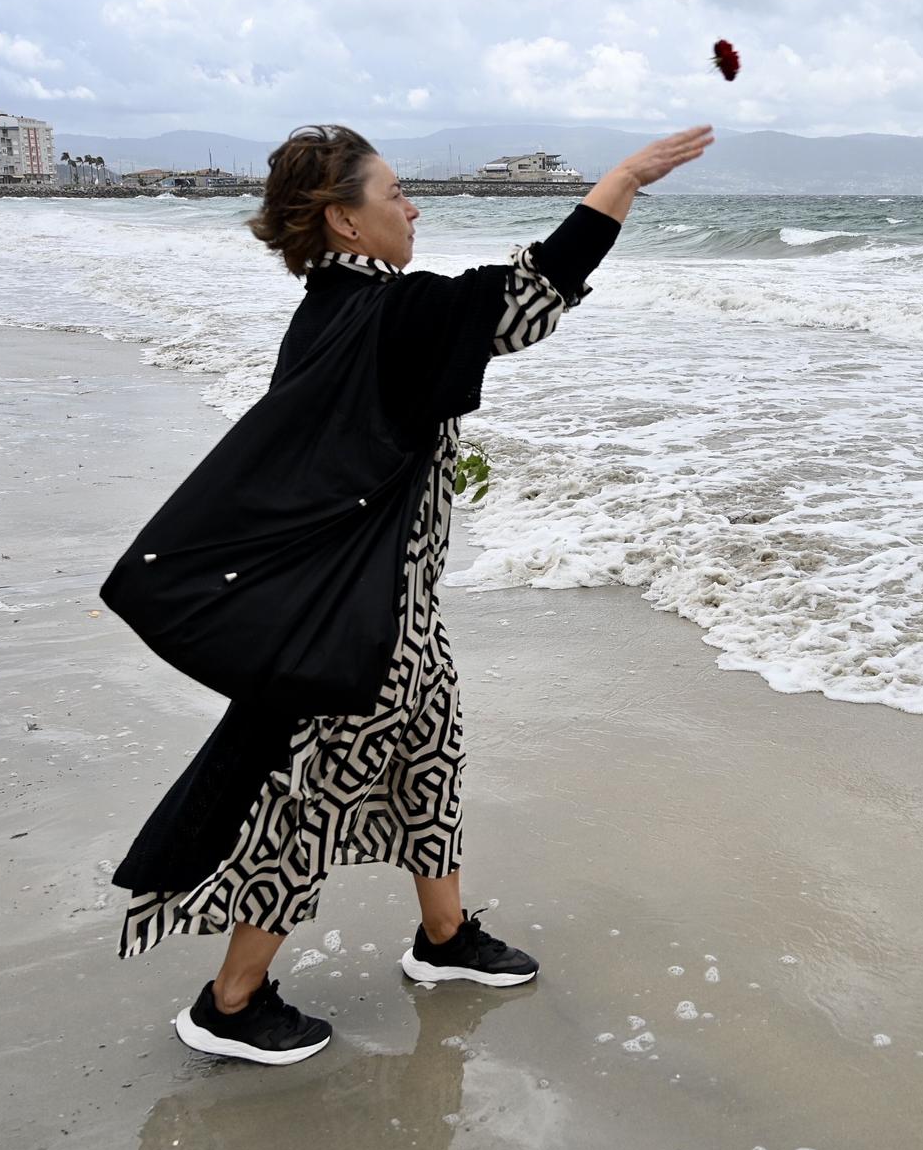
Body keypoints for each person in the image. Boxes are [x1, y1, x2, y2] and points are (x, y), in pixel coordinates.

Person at [109, 122, 713, 1065]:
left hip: (398, 603)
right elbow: (528, 294)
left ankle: (444, 937)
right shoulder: (386, 314)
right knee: (301, 798)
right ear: (346, 219)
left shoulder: (332, 311)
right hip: (362, 618)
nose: (412, 206)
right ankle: (231, 999)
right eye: (395, 194)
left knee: (432, 747)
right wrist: (625, 180)